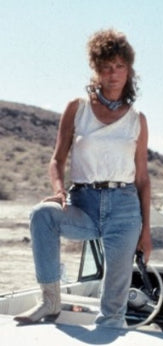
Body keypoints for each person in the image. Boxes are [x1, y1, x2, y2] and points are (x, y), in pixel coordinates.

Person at [15, 28, 151, 327]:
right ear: (96, 70)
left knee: (113, 309)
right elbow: (57, 159)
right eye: (106, 67)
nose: (113, 74)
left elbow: (142, 178)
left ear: (128, 70)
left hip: (125, 209)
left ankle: (111, 339)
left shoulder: (136, 120)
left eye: (119, 67)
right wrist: (58, 189)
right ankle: (50, 301)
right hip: (83, 203)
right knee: (42, 215)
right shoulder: (78, 109)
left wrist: (147, 231)